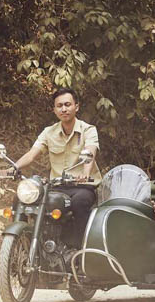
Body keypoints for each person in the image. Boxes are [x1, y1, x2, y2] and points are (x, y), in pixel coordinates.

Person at [10, 87, 99, 246]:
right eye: (59, 106)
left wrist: (85, 174)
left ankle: (79, 250)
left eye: (67, 104)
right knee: (21, 197)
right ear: (54, 109)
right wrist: (14, 167)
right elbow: (32, 154)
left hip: (82, 186)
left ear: (76, 107)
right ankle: (21, 245)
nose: (64, 109)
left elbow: (89, 154)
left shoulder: (88, 130)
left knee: (80, 202)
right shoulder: (48, 132)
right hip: (57, 186)